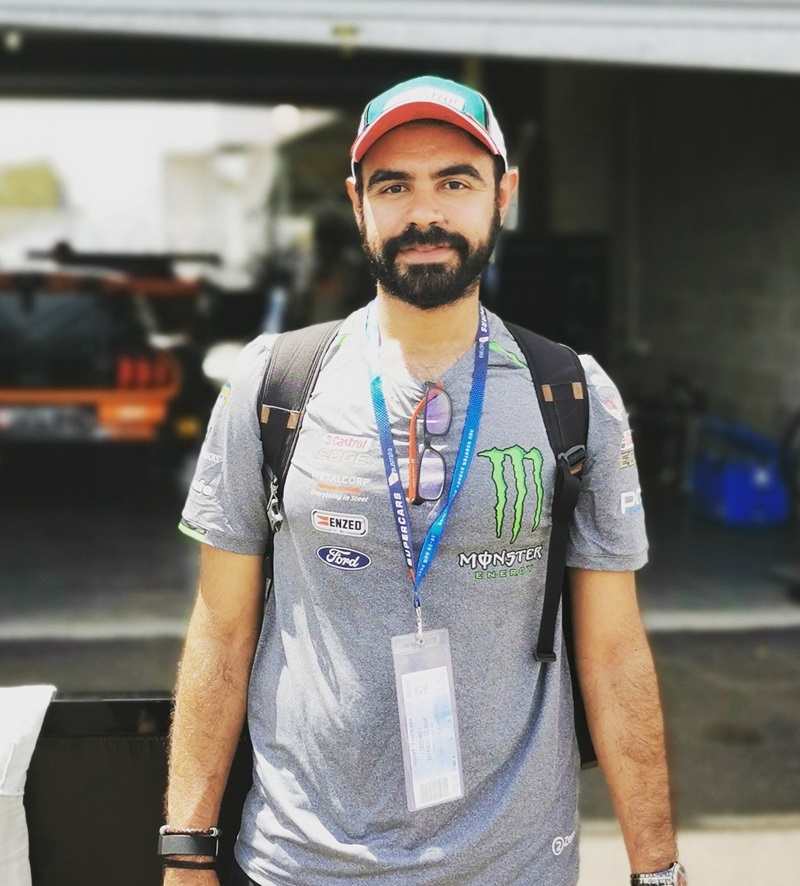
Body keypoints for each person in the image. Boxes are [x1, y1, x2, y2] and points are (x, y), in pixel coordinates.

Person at [162, 76, 685, 886]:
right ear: (357, 202)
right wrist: (187, 848)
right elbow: (222, 636)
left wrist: (657, 868)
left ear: (503, 195)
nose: (425, 213)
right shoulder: (273, 385)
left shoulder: (573, 395)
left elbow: (613, 653)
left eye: (456, 181)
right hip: (302, 863)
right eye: (394, 185)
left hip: (515, 867)